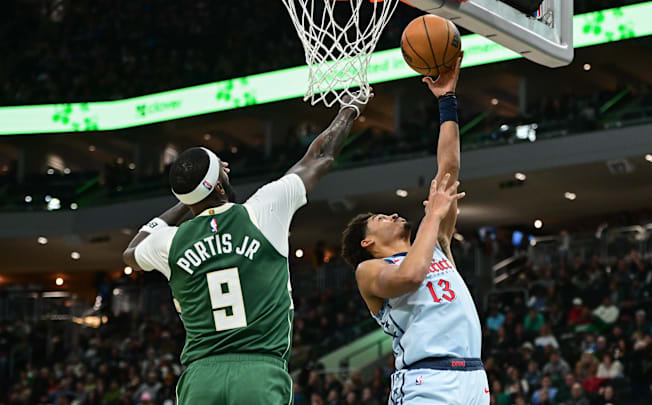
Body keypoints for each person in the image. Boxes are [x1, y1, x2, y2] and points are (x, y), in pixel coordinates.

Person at [122, 93, 370, 404]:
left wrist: (187, 201)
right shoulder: (262, 210)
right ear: (220, 185)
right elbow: (320, 157)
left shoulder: (169, 242)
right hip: (258, 372)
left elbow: (131, 251)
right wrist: (350, 109)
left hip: (200, 378)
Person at [340, 54, 489, 405]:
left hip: (473, 377)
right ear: (368, 242)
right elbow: (410, 276)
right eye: (380, 219)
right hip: (427, 381)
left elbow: (449, 168)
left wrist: (447, 101)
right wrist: (434, 217)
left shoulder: (434, 240)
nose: (392, 215)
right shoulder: (369, 271)